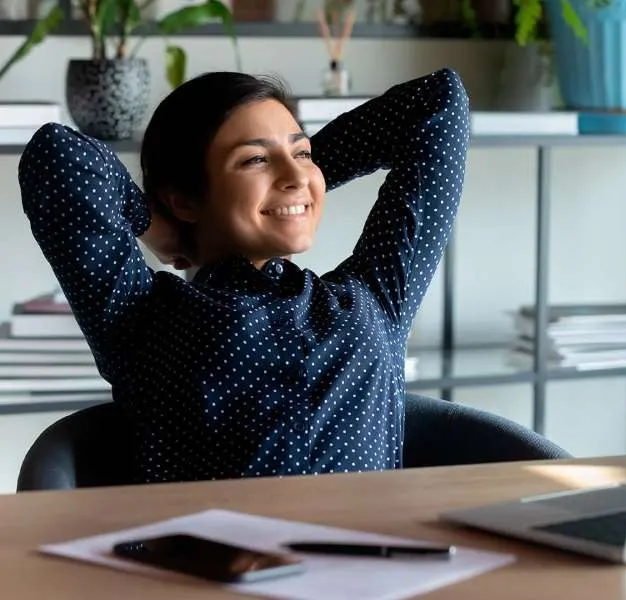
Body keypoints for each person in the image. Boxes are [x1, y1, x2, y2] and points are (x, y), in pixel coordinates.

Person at [19, 67, 470, 484]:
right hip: (207, 569)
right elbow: (58, 156)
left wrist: (299, 183)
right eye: (254, 160)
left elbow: (440, 102)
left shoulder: (376, 295)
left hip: (376, 563)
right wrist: (155, 224)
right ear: (183, 200)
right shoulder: (141, 316)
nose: (295, 172)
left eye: (303, 151)